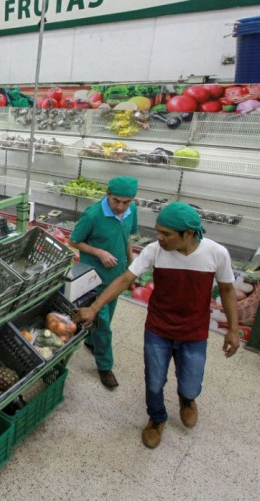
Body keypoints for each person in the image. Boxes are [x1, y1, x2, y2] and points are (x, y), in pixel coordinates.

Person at [74, 201, 239, 449]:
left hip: (194, 332)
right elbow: (125, 279)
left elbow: (227, 290)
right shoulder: (155, 251)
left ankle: (187, 399)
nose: (159, 238)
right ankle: (156, 419)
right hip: (158, 328)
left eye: (166, 234)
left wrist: (233, 330)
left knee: (191, 381)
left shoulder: (216, 253)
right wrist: (95, 308)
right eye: (158, 231)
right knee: (153, 381)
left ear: (189, 234)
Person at [69, 176, 139, 389]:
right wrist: (98, 252)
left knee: (106, 317)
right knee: (105, 324)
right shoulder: (93, 215)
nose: (120, 207)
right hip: (95, 278)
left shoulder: (131, 211)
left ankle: (91, 342)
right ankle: (105, 367)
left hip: (117, 276)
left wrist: (131, 265)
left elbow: (127, 237)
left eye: (126, 202)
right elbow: (73, 240)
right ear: (107, 194)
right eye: (116, 200)